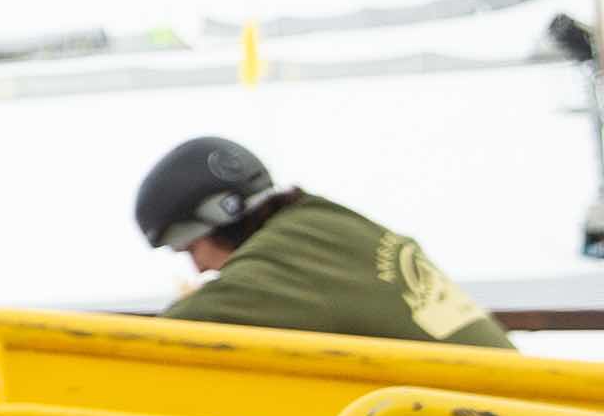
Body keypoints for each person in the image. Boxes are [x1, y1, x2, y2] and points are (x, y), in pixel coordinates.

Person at [136, 138, 507, 353]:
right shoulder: (322, 221)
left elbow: (161, 343)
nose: (199, 268)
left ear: (222, 215)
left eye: (190, 249)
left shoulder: (281, 264)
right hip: (523, 414)